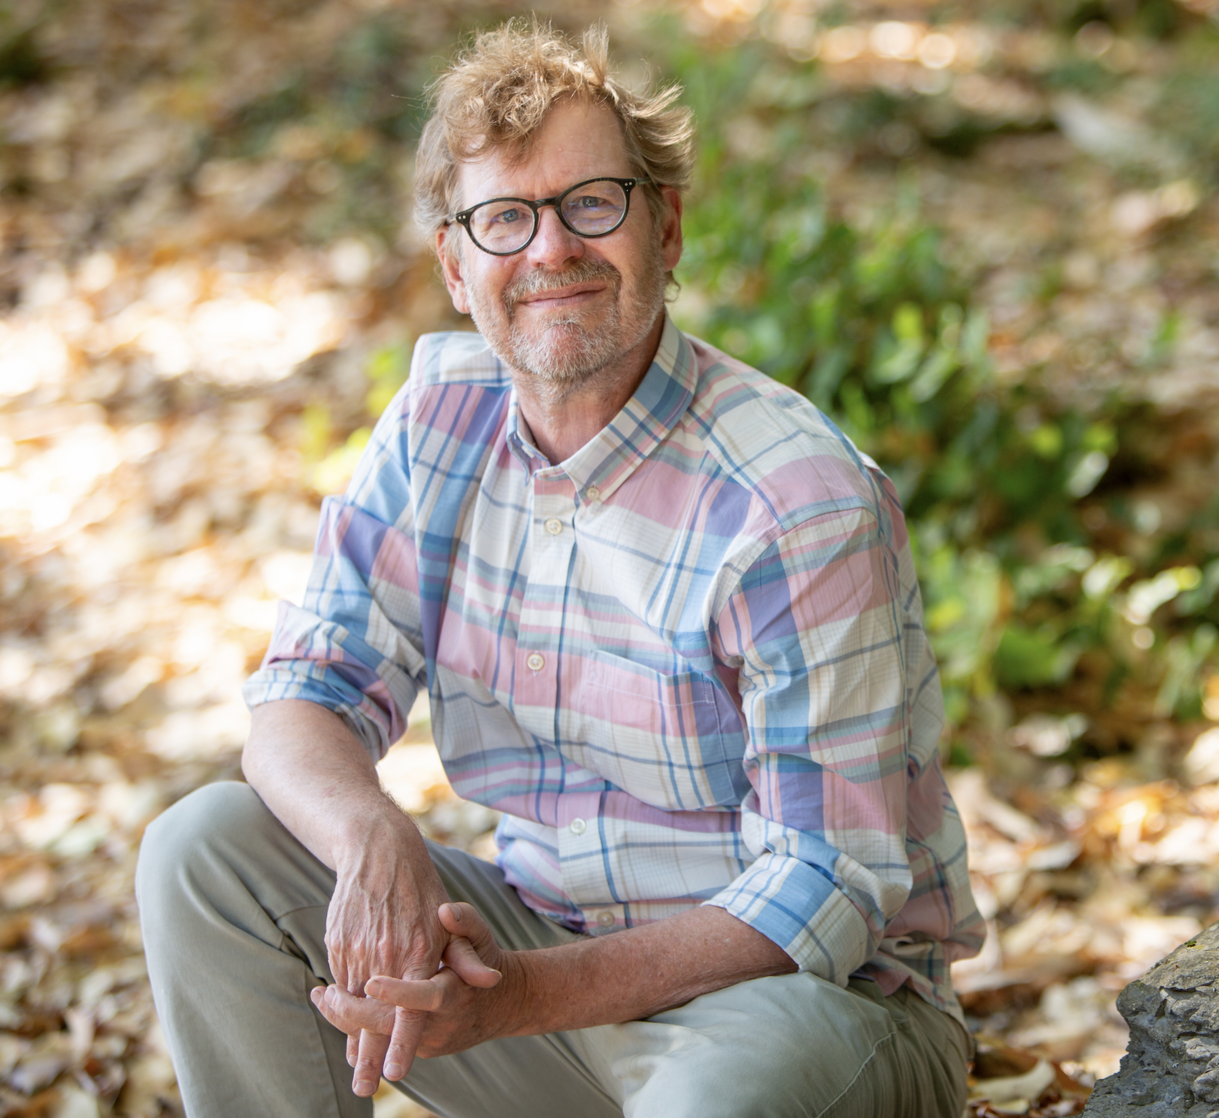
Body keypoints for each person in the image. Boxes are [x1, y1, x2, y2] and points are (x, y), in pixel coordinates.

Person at [136, 20, 984, 1118]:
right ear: (455, 264)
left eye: (593, 203)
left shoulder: (793, 497)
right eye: (505, 218)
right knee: (206, 853)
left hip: (806, 1015)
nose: (550, 252)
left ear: (664, 225)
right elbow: (303, 690)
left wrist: (515, 997)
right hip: (539, 979)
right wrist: (372, 830)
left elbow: (826, 889)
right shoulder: (438, 418)